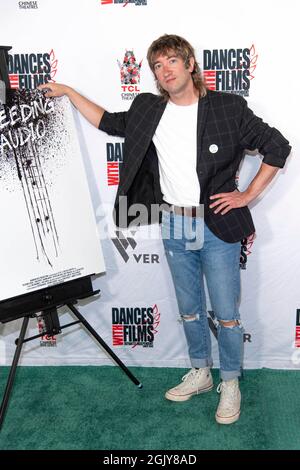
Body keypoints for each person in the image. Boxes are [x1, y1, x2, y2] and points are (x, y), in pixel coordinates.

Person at [39, 34, 291, 425]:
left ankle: (230, 381)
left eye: (172, 60)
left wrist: (246, 196)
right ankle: (201, 372)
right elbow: (108, 122)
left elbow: (277, 147)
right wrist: (69, 91)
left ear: (190, 64)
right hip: (176, 222)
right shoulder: (147, 108)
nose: (165, 70)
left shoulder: (227, 107)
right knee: (189, 310)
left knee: (226, 313)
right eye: (157, 65)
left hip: (218, 224)